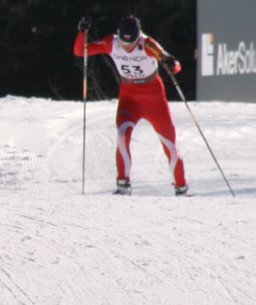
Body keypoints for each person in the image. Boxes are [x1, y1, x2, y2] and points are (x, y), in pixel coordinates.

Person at [75, 14, 187, 195]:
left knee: (170, 145)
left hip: (154, 100)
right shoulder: (112, 43)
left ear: (138, 37)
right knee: (122, 135)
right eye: (124, 44)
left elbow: (174, 64)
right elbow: (81, 51)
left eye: (132, 44)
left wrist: (172, 64)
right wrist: (82, 33)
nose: (127, 48)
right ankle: (123, 185)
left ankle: (181, 187)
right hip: (129, 99)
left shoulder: (148, 44)